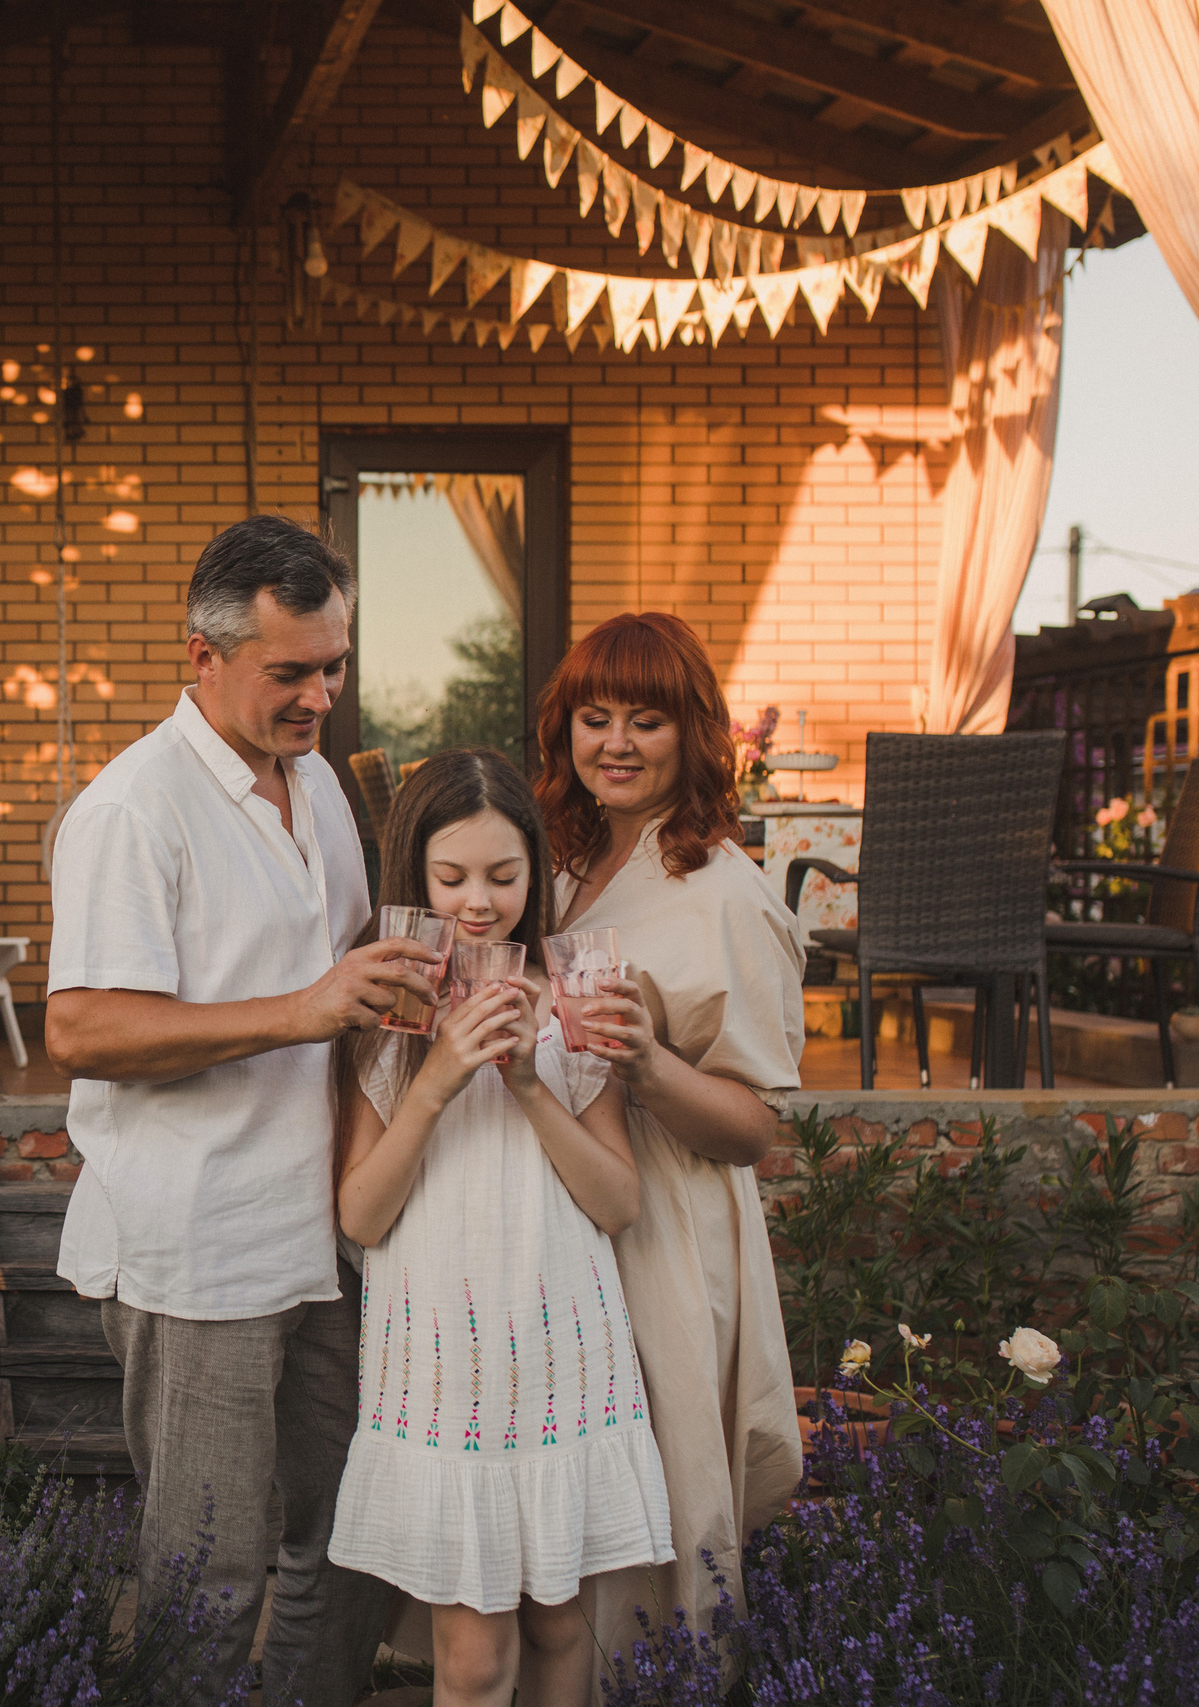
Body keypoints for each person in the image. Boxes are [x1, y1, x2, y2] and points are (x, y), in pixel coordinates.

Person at [43, 514, 443, 1705]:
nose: (320, 695)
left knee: (358, 1532)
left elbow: (338, 967)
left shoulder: (316, 783)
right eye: (291, 672)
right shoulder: (132, 809)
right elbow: (83, 1030)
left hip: (326, 1228)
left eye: (333, 667)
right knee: (206, 1572)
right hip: (198, 1243)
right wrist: (302, 1008)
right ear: (200, 655)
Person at [327, 748, 675, 1707]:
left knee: (563, 1623)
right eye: (451, 878)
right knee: (472, 1655)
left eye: (503, 874)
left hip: (562, 1343)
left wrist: (528, 1082)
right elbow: (360, 1212)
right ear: (414, 875)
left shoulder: (576, 1003)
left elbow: (617, 1201)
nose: (477, 902)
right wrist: (438, 1079)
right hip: (443, 1359)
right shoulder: (390, 1014)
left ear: (536, 873)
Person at [534, 612, 806, 1691]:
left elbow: (758, 1131)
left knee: (657, 1485)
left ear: (695, 733)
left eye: (645, 719)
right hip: (562, 1211)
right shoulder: (565, 861)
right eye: (594, 717)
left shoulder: (723, 892)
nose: (615, 742)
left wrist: (649, 1065)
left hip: (664, 1227)